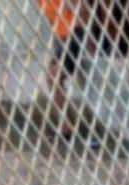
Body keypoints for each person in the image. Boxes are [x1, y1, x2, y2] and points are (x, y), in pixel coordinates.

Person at [38, 0, 91, 138]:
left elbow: (82, 8)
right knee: (52, 77)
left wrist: (89, 40)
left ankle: (70, 127)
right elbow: (52, 18)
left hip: (77, 33)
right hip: (65, 36)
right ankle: (67, 126)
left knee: (54, 75)